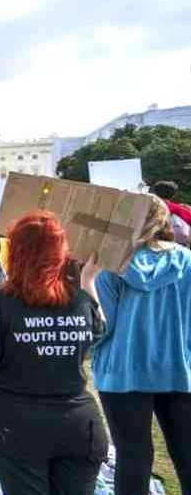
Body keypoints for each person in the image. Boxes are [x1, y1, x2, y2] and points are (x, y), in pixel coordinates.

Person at [0, 211, 109, 495]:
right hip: (78, 423)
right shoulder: (79, 301)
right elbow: (100, 330)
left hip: (16, 425)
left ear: (16, 251)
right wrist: (88, 280)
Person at [93, 195, 191, 495]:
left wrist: (86, 285)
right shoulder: (186, 260)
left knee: (132, 455)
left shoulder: (111, 263)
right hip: (176, 366)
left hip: (123, 371)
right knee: (186, 453)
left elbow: (103, 326)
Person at [151, 181, 191, 246]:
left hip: (150, 244)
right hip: (176, 246)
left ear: (155, 193)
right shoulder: (180, 209)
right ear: (173, 195)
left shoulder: (148, 208)